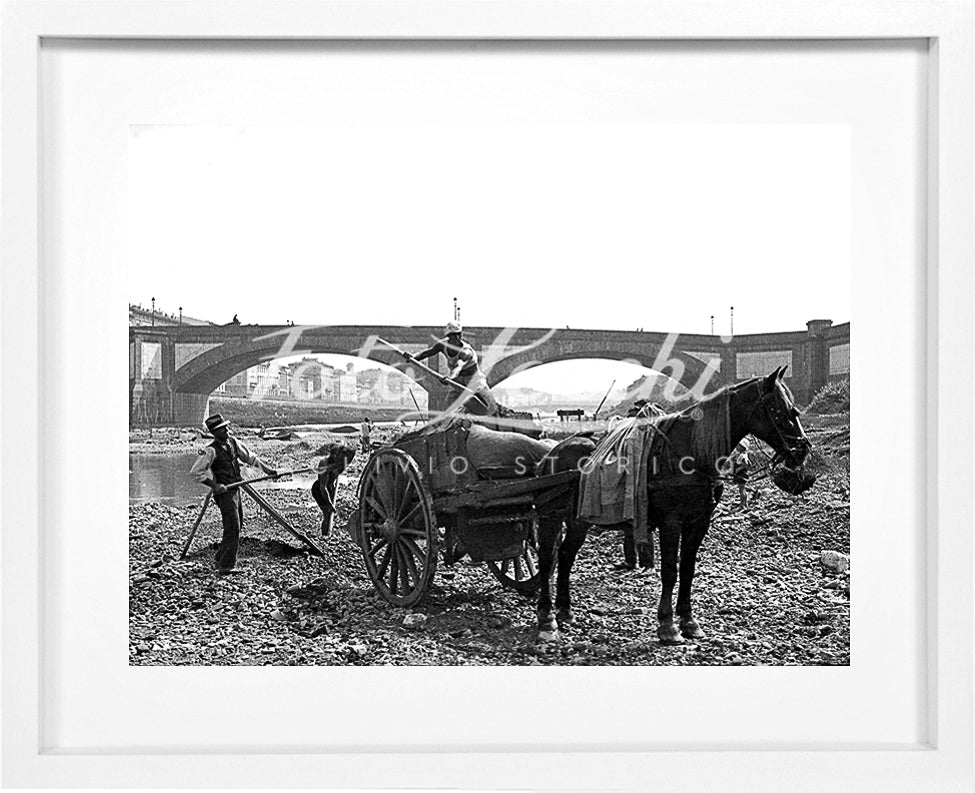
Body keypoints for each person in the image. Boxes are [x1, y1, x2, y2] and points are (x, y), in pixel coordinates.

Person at [189, 413, 278, 573]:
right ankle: (226, 566)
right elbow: (196, 472)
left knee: (237, 524)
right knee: (233, 527)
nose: (227, 431)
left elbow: (251, 458)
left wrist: (268, 470)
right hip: (224, 493)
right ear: (215, 433)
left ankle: (220, 557)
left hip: (235, 489)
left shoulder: (233, 443)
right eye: (223, 429)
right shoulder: (209, 450)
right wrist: (215, 485)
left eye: (226, 428)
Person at [405, 321, 497, 416]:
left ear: (461, 336)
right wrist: (413, 357)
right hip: (457, 381)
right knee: (449, 409)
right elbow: (427, 353)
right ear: (448, 337)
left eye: (457, 336)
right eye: (451, 336)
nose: (454, 339)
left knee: (488, 407)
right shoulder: (442, 345)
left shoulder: (466, 351)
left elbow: (458, 367)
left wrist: (450, 378)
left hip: (474, 380)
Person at [729, 436, 751, 509]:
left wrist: (737, 470)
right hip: (743, 474)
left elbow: (745, 464)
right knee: (742, 489)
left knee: (741, 490)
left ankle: (742, 505)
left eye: (739, 445)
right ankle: (745, 504)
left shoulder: (742, 455)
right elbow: (749, 463)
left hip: (741, 474)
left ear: (742, 447)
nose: (737, 447)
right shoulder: (743, 454)